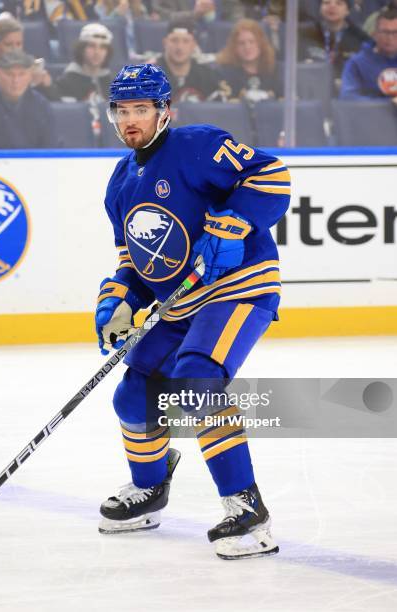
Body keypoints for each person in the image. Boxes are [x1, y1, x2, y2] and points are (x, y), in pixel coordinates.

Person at [95, 63, 291, 560]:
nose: (130, 119)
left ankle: (248, 512)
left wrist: (235, 222)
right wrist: (118, 300)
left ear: (165, 112)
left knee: (197, 381)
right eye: (122, 110)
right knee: (134, 395)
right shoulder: (120, 184)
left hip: (239, 285)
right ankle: (150, 490)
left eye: (141, 109)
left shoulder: (197, 144)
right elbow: (135, 264)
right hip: (181, 302)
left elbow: (271, 175)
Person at [0, 50, 58, 148]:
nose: (15, 80)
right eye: (9, 74)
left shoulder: (41, 104)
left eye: (22, 74)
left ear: (30, 75)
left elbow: (51, 146)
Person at [0, 17, 58, 100]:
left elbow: (54, 102)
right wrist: (27, 83)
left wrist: (48, 86)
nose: (15, 49)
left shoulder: (29, 64)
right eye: (8, 44)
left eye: (19, 44)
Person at [154, 20, 228, 102]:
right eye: (174, 40)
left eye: (186, 41)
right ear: (165, 43)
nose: (179, 47)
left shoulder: (207, 76)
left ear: (193, 45)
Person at [299, 0, 371, 83]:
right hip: (312, 86)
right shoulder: (305, 34)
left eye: (339, 3)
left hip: (348, 90)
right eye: (326, 2)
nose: (332, 6)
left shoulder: (360, 38)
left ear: (347, 10)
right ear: (320, 8)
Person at [216, 19, 282, 103]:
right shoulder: (224, 72)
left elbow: (286, 100)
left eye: (252, 42)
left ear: (261, 44)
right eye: (241, 43)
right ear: (234, 47)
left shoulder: (275, 70)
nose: (247, 47)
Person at [340, 6, 397, 100]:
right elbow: (347, 97)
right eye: (385, 32)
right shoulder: (357, 63)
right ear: (374, 34)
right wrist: (388, 104)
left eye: (395, 32)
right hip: (371, 114)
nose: (390, 38)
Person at [56, 23, 114, 102]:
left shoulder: (113, 83)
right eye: (92, 46)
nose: (97, 52)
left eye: (102, 47)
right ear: (81, 49)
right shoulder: (66, 82)